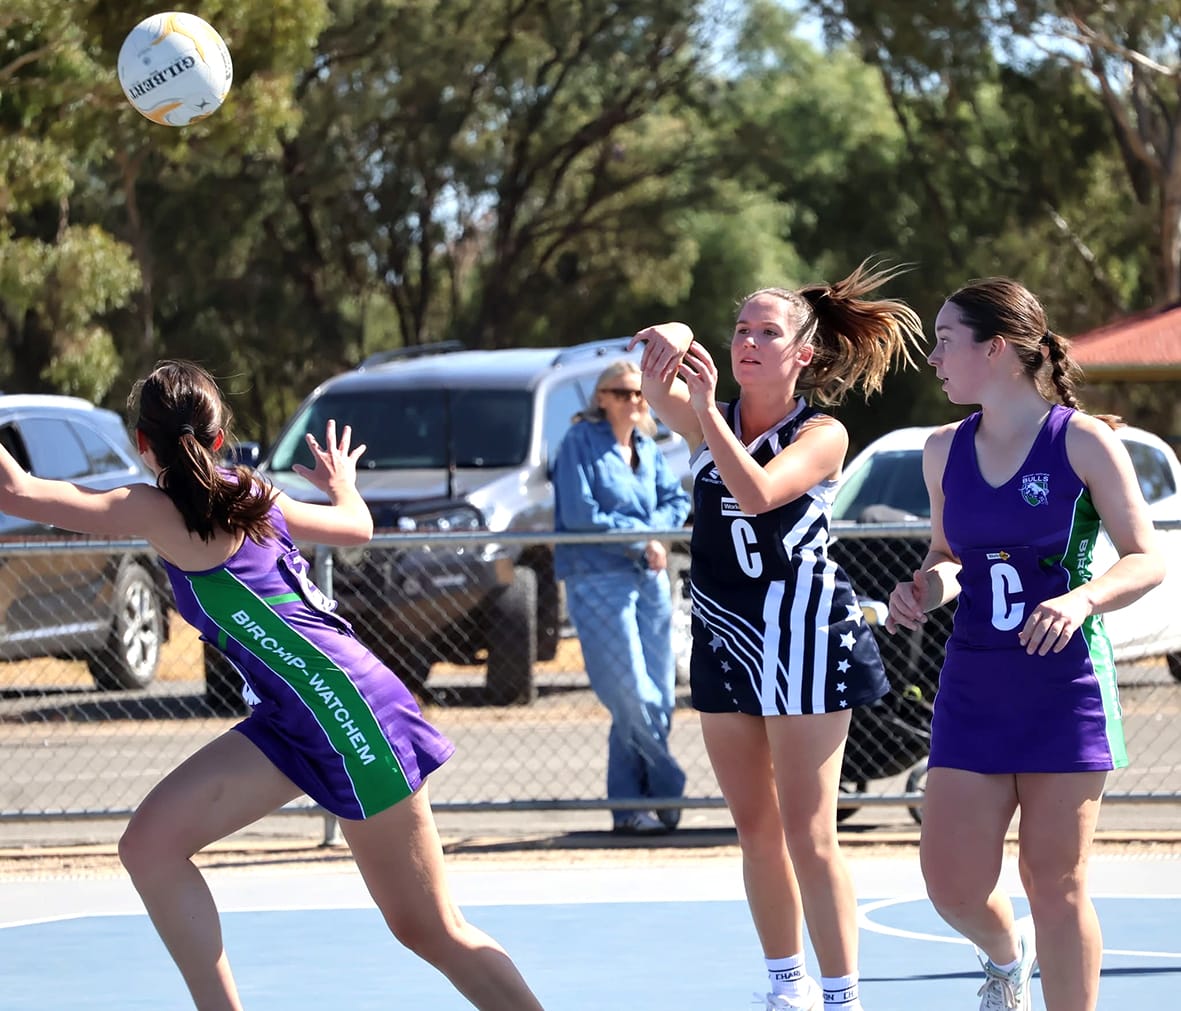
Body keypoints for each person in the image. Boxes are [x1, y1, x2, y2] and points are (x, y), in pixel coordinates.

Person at [0, 360, 545, 1011]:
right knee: (150, 845)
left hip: (346, 709)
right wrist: (342, 483)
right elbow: (358, 526)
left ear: (142, 441)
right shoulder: (248, 491)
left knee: (430, 928)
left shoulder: (157, 507)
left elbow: (17, 493)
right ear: (219, 436)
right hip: (295, 713)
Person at [629, 262, 924, 1011]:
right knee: (754, 829)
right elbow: (653, 367)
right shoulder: (707, 414)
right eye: (740, 330)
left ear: (803, 355)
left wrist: (706, 412)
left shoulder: (821, 432)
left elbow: (756, 494)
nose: (749, 342)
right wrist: (672, 339)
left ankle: (842, 995)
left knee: (809, 833)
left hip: (805, 638)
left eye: (768, 332)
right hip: (724, 636)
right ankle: (783, 987)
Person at [884, 278, 1165, 1011]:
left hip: (1063, 685)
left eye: (946, 340)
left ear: (997, 349)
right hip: (974, 684)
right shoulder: (942, 449)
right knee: (950, 884)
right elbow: (947, 555)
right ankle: (1006, 960)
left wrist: (1080, 599)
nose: (934, 357)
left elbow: (1145, 556)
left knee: (1055, 880)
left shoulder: (1080, 439)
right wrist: (925, 588)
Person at [553, 359, 692, 834]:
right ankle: (667, 782)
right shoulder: (578, 444)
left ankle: (631, 810)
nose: (637, 401)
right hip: (597, 579)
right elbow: (580, 513)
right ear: (602, 398)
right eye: (626, 392)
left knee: (660, 695)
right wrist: (643, 538)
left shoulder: (648, 448)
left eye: (641, 393)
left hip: (649, 578)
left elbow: (677, 501)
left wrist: (658, 535)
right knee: (631, 693)